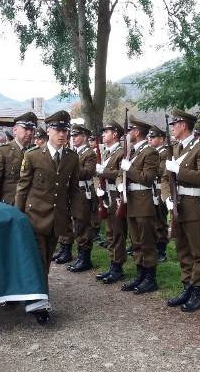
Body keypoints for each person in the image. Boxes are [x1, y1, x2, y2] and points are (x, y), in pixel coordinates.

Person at [15, 110, 84, 324]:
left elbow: (73, 189)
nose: (62, 134)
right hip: (34, 217)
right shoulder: (34, 155)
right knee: (39, 260)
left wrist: (80, 216)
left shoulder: (72, 158)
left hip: (57, 219)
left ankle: (33, 297)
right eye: (58, 130)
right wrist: (18, 218)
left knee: (45, 261)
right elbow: (22, 188)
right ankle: (40, 304)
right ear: (49, 131)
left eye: (65, 130)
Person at [162, 109, 200, 312]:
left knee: (198, 249)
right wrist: (167, 197)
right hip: (178, 204)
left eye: (174, 124)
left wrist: (179, 171)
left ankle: (198, 291)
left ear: (183, 125)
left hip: (194, 204)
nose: (173, 129)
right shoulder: (175, 149)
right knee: (182, 248)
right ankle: (187, 285)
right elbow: (165, 179)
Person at [118, 116, 160, 294]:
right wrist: (121, 181)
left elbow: (147, 178)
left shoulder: (150, 152)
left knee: (146, 241)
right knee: (135, 241)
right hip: (131, 199)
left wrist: (130, 169)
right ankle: (140, 274)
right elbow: (122, 172)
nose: (127, 134)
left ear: (136, 132)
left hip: (143, 200)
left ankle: (150, 278)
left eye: (129, 130)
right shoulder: (132, 152)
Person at [94, 122, 127, 284]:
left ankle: (118, 266)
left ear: (115, 134)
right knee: (109, 232)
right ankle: (112, 262)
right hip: (106, 194)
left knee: (117, 232)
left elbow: (121, 172)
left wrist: (104, 172)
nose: (103, 134)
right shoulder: (106, 153)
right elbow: (98, 174)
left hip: (116, 194)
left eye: (106, 132)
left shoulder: (121, 152)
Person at [63, 125, 97, 273]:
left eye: (76, 136)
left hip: (84, 191)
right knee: (76, 224)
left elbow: (88, 173)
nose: (73, 138)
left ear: (84, 136)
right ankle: (79, 256)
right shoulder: (72, 152)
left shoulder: (89, 153)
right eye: (72, 136)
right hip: (74, 191)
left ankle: (85, 258)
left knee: (83, 225)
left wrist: (71, 167)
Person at [0, 112, 38, 205]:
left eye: (32, 129)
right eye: (26, 129)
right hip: (10, 204)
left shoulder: (36, 151)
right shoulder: (2, 151)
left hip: (32, 205)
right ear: (15, 130)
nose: (30, 132)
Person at [148, 125, 170, 262]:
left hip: (160, 189)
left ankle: (161, 250)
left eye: (153, 137)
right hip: (151, 189)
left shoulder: (164, 153)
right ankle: (154, 246)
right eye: (149, 137)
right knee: (153, 220)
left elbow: (161, 172)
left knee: (160, 220)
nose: (150, 139)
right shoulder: (153, 152)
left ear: (161, 139)